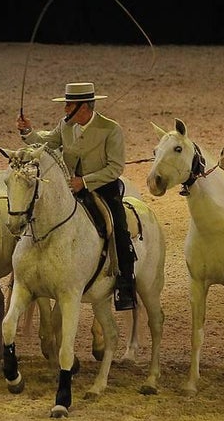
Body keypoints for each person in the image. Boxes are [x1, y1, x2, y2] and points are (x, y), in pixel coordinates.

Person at [16, 81, 137, 311]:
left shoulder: (111, 129)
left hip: (102, 188)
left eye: (68, 105)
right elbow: (47, 142)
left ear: (83, 107)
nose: (65, 110)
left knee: (119, 228)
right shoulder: (66, 125)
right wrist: (27, 132)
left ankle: (125, 283)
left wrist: (85, 181)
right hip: (70, 187)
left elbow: (115, 168)